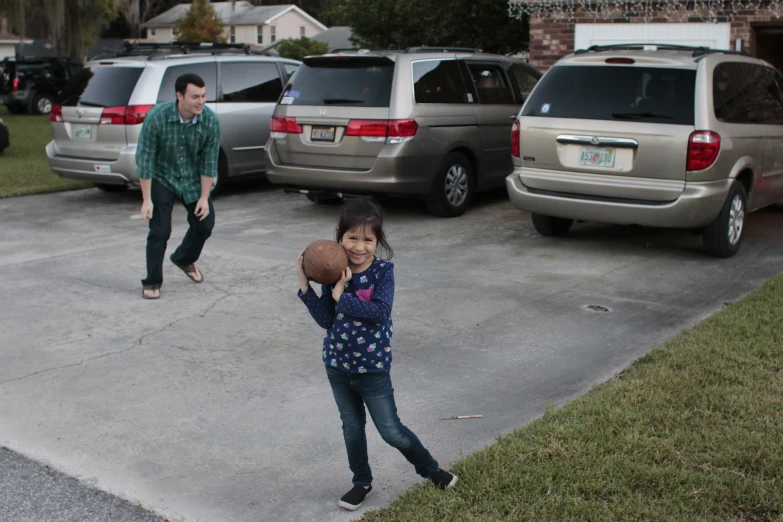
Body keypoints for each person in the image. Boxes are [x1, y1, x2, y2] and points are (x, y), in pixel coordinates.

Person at [296, 198, 458, 511]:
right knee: (352, 428)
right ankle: (361, 482)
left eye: (368, 239)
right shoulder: (332, 271)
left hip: (372, 369)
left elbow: (381, 312)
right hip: (338, 367)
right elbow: (326, 321)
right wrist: (306, 287)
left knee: (391, 431)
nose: (359, 246)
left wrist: (342, 295)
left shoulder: (383, 272)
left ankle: (431, 470)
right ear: (339, 236)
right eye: (352, 238)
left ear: (377, 241)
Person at [136, 73, 219, 299]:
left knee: (204, 225)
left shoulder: (210, 120)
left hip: (192, 178)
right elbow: (145, 159)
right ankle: (152, 281)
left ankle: (183, 258)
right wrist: (146, 200)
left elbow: (209, 161)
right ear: (179, 95)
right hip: (163, 175)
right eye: (195, 97)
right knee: (160, 231)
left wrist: (204, 197)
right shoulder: (157, 118)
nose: (200, 101)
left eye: (203, 96)